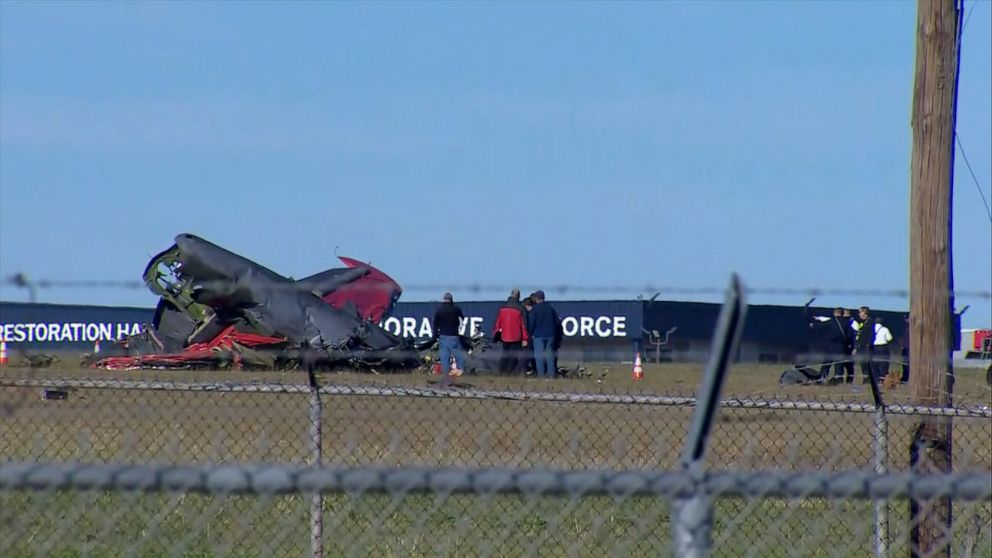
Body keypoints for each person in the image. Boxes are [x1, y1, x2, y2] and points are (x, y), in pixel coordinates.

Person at [492, 288, 529, 375]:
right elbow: (524, 325)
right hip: (516, 336)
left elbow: (497, 323)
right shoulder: (520, 308)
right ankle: (509, 372)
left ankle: (501, 371)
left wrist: (496, 335)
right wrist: (525, 338)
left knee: (505, 355)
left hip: (505, 336)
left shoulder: (502, 308)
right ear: (519, 296)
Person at [526, 290, 559, 380]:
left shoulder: (535, 309)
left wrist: (530, 333)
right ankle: (551, 374)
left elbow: (532, 322)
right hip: (550, 334)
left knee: (539, 355)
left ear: (536, 298)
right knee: (549, 355)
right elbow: (556, 322)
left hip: (538, 335)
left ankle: (541, 375)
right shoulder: (550, 308)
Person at [432, 292, 465, 377]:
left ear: (444, 299)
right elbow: (462, 318)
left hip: (444, 335)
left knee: (444, 356)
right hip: (454, 335)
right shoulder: (456, 309)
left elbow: (435, 323)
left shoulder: (439, 309)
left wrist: (435, 335)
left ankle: (446, 372)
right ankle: (460, 370)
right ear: (451, 299)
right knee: (458, 354)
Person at [819, 307, 853, 384]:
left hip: (829, 347)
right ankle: (839, 380)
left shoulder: (831, 322)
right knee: (839, 366)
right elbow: (850, 335)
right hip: (841, 347)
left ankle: (822, 379)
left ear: (835, 313)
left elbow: (820, 327)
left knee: (826, 365)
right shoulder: (847, 323)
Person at [852, 306, 876, 383]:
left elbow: (871, 334)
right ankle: (865, 378)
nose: (859, 314)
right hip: (861, 347)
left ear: (864, 313)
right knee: (863, 364)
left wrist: (868, 344)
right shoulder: (863, 323)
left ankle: (868, 379)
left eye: (860, 312)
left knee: (867, 363)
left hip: (866, 347)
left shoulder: (870, 322)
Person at [872, 317, 894, 381]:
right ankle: (883, 378)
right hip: (883, 348)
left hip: (874, 348)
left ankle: (875, 378)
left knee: (874, 364)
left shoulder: (871, 329)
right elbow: (889, 338)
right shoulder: (885, 329)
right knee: (884, 364)